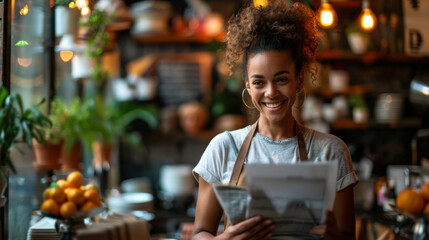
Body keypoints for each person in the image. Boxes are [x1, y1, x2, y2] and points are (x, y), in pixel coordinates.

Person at [192, 0, 359, 239]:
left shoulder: (331, 151)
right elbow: (200, 233)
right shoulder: (223, 148)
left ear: (299, 79)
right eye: (259, 82)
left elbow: (347, 237)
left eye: (281, 79)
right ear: (248, 87)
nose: (271, 92)